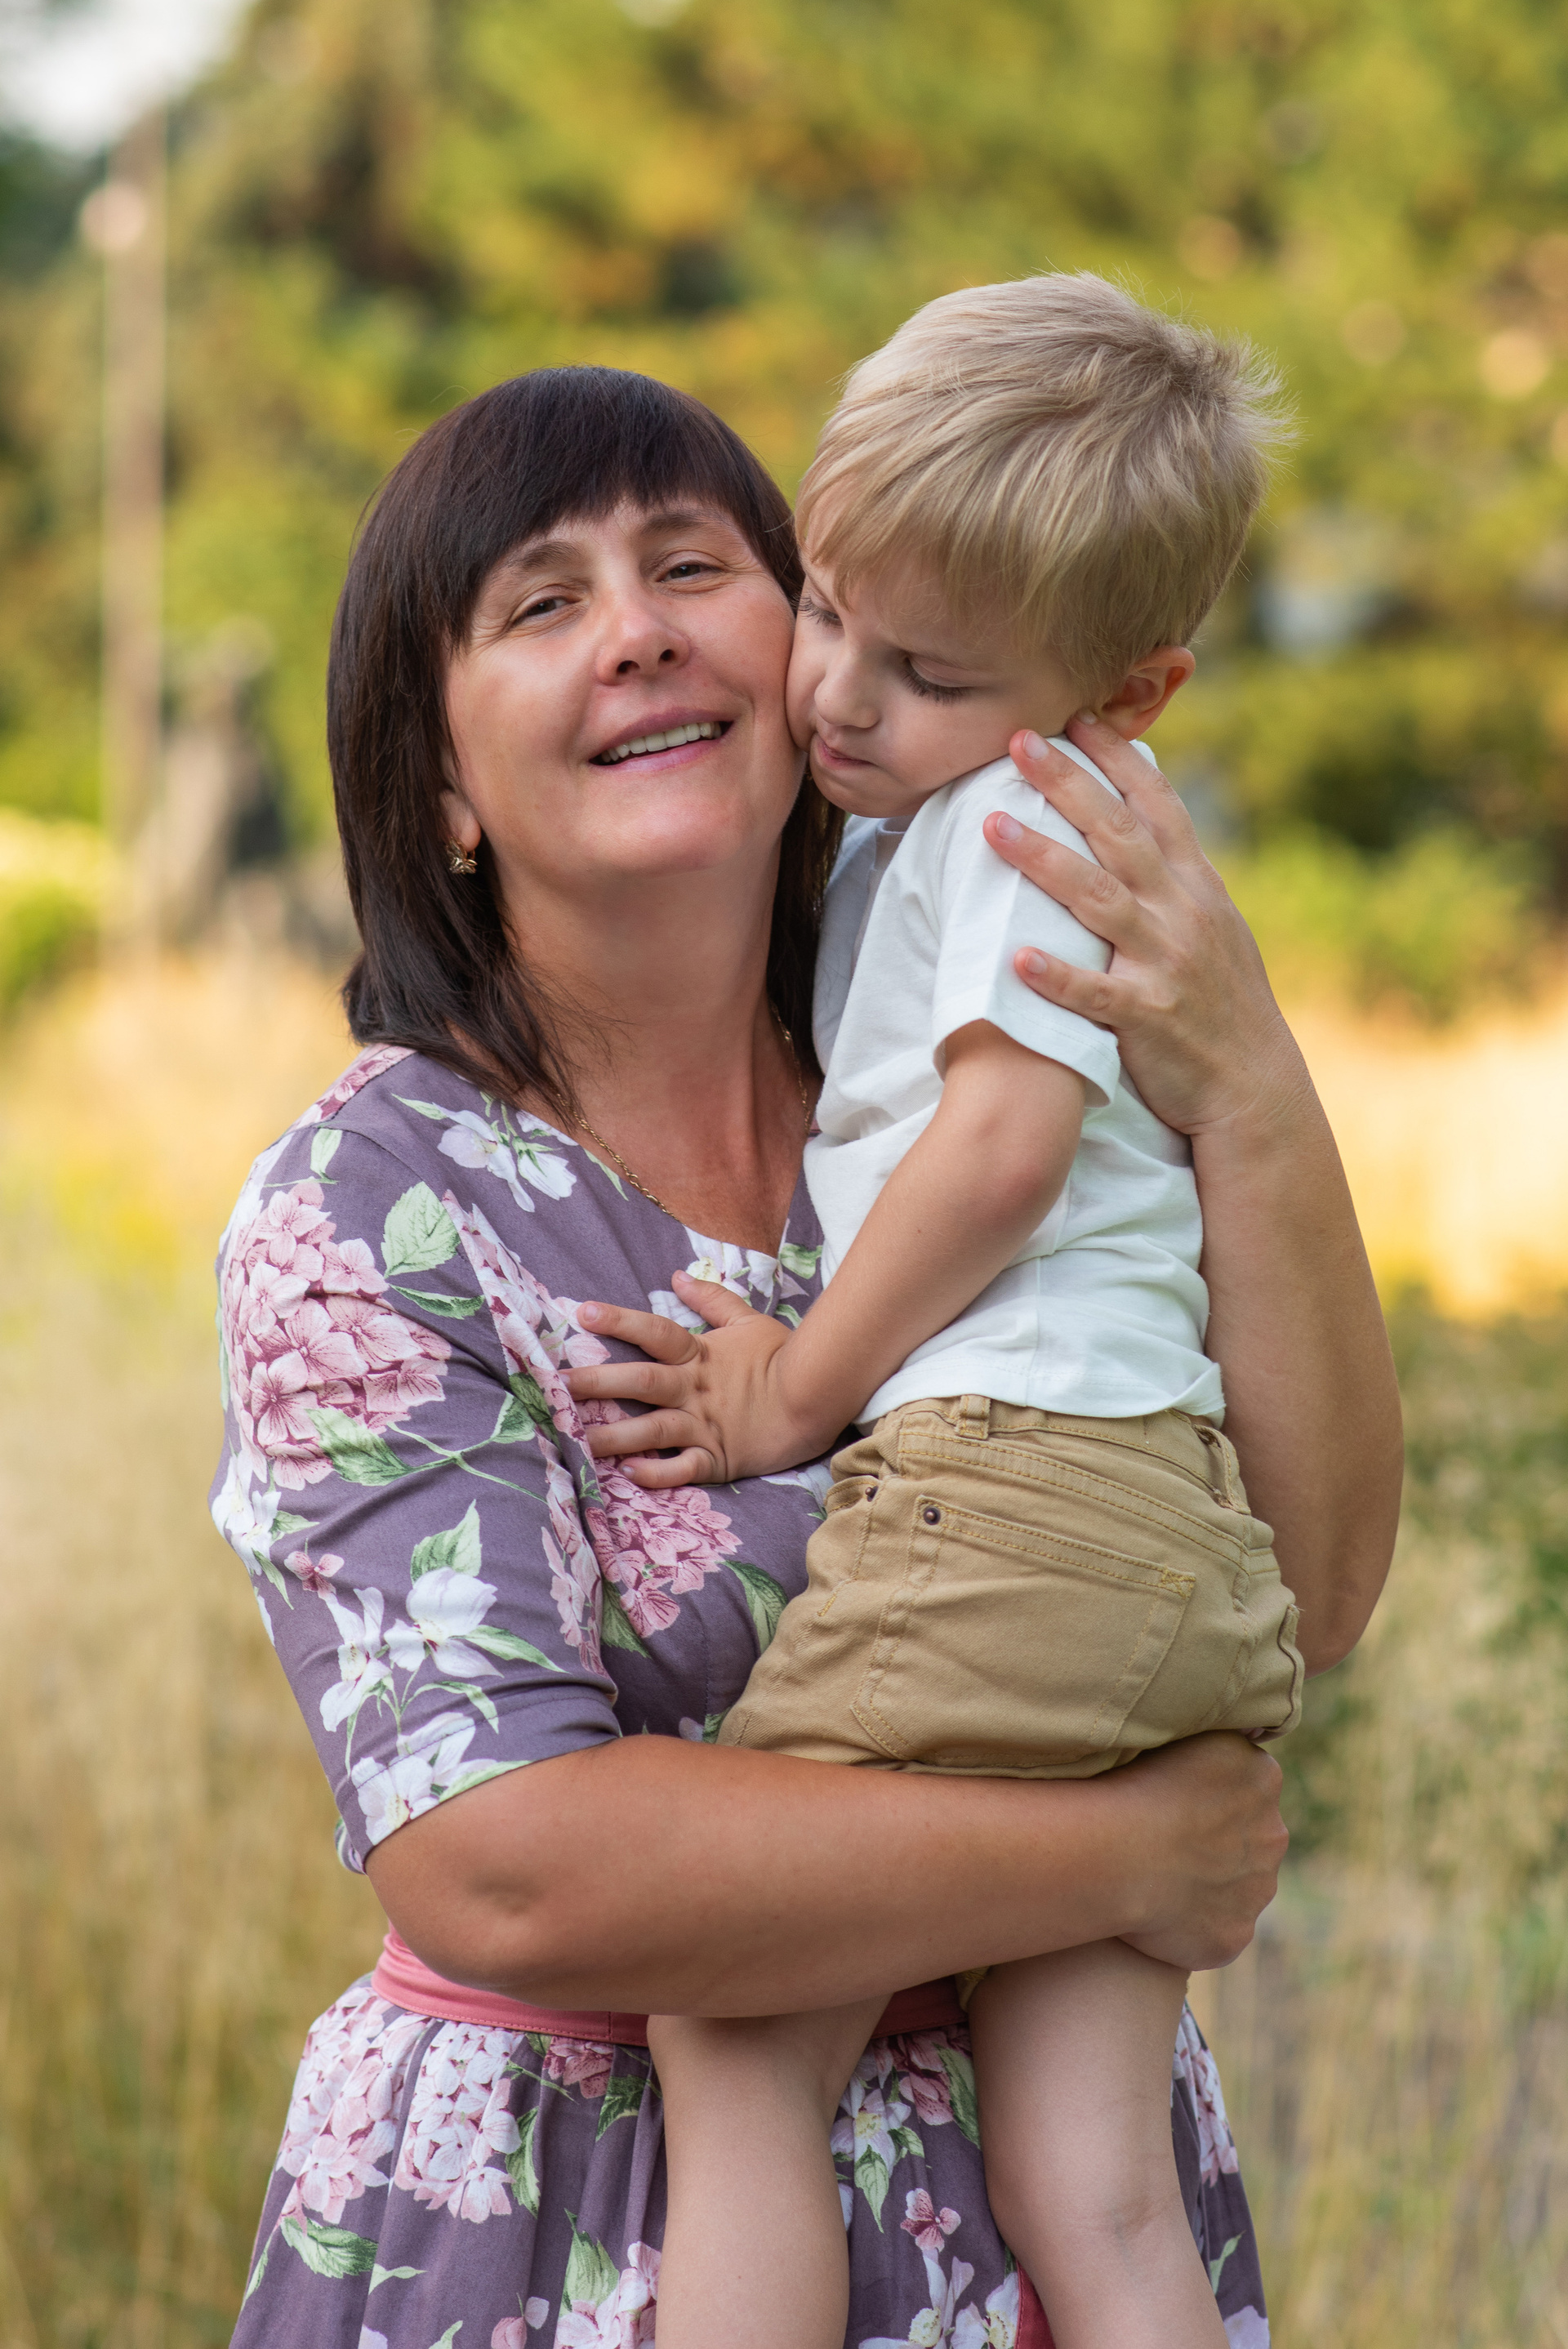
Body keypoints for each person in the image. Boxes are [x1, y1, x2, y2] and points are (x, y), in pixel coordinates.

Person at [210, 363, 1400, 2349]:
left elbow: (1319, 1577)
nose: (639, 629)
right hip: (582, 2222)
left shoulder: (976, 1041)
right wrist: (1127, 1851)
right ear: (439, 788)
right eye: (543, 603)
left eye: (693, 565)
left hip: (1039, 2212)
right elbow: (505, 1870)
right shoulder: (374, 1209)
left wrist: (1248, 1079)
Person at [565, 277, 1303, 2349]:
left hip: (1008, 1492)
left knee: (731, 2031)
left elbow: (997, 1153)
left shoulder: (1016, 815)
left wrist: (793, 1391)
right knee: (1092, 2169)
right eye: (827, 611)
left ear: (1131, 689)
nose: (838, 695)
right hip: (1168, 1534)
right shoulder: (983, 813)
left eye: (927, 669)